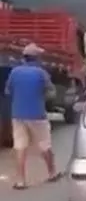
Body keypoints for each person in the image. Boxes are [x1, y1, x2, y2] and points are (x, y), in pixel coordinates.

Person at [5, 43, 62, 189]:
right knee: (44, 144)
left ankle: (20, 181)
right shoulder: (41, 73)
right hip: (37, 114)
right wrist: (41, 96)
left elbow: (8, 91)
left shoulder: (14, 72)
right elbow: (52, 93)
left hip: (18, 114)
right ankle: (52, 173)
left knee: (20, 147)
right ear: (36, 58)